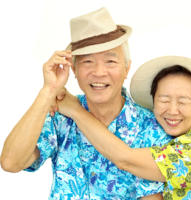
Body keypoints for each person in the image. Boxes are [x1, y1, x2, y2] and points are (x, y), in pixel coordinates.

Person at [0, 8, 172, 200]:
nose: (99, 72)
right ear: (73, 69)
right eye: (87, 61)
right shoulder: (60, 116)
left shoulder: (151, 127)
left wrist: (75, 110)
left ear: (127, 68)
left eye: (110, 61)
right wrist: (48, 91)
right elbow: (11, 162)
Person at [54, 56, 191, 199]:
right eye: (164, 100)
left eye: (183, 101)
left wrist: (76, 111)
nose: (173, 110)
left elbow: (125, 159)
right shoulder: (162, 138)